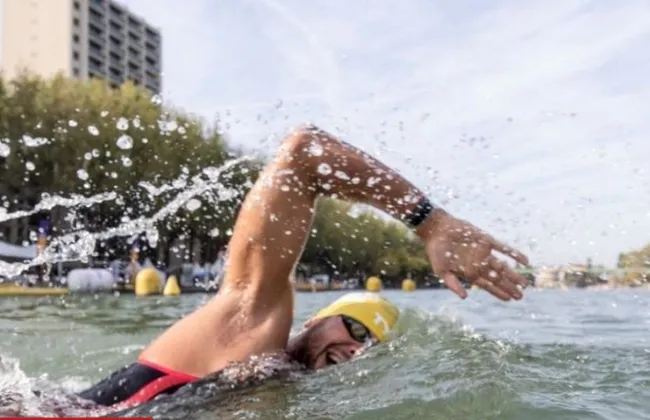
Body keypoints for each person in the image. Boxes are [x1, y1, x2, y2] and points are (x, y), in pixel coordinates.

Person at [77, 124, 530, 408]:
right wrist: (431, 223)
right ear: (315, 320)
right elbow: (305, 152)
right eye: (355, 329)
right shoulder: (249, 324)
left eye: (369, 346)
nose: (356, 350)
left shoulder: (282, 392)